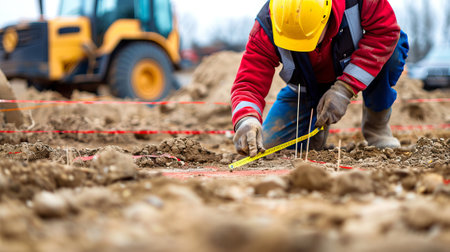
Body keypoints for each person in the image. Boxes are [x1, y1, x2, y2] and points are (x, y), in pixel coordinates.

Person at [231, 0, 409, 157]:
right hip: (306, 86)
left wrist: (345, 89)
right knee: (268, 147)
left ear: (326, 16)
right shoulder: (267, 24)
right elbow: (248, 84)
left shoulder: (361, 2)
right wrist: (247, 119)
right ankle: (311, 124)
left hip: (354, 62)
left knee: (392, 52)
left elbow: (385, 33)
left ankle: (376, 127)